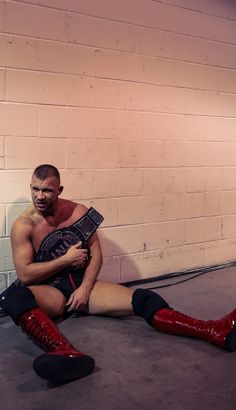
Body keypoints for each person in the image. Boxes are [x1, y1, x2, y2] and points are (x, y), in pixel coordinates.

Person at [1, 164, 236, 385]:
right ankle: (66, 352)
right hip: (52, 290)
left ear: (59, 190)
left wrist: (85, 288)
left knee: (145, 298)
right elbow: (26, 275)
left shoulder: (78, 213)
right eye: (34, 189)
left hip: (85, 284)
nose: (39, 196)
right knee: (15, 298)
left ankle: (212, 330)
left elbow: (97, 255)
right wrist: (65, 259)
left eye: (46, 190)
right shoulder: (24, 226)